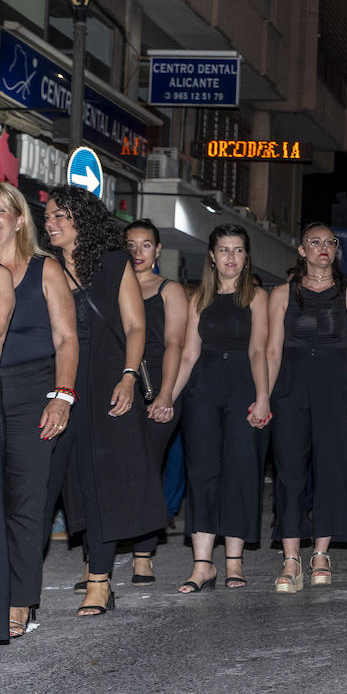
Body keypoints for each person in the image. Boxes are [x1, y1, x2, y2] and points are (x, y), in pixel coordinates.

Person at [42, 186, 158, 617]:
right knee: (60, 480)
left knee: (101, 481)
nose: (49, 223)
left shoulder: (114, 264)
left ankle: (100, 581)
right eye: (48, 217)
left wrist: (129, 376)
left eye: (58, 216)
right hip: (58, 382)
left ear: (81, 220)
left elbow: (135, 327)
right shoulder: (44, 265)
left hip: (108, 379)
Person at [169, 223, 272, 593]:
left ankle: (234, 562)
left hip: (243, 383)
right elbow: (187, 355)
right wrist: (168, 396)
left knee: (242, 471)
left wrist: (263, 397)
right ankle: (201, 565)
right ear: (211, 257)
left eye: (238, 250)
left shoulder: (258, 297)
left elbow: (260, 350)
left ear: (246, 258)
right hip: (204, 387)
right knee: (202, 472)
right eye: (224, 250)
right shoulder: (199, 298)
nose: (231, 257)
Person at [266, 224, 347, 592]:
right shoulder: (281, 294)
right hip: (290, 386)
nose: (323, 248)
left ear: (336, 249)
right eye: (315, 242)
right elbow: (272, 351)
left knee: (334, 468)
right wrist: (265, 396)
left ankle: (321, 553)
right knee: (289, 471)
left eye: (329, 242)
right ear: (301, 249)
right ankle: (291, 558)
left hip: (336, 386)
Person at [1, 183, 62, 638]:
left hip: (32, 392)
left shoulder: (45, 269)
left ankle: (21, 600)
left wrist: (63, 395)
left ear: (19, 219)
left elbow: (67, 339)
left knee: (25, 501)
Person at [125, 220, 189, 587]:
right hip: (118, 385)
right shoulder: (113, 288)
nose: (138, 252)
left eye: (146, 245)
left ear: (158, 250)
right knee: (112, 471)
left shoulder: (170, 290)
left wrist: (166, 394)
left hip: (156, 390)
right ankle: (96, 557)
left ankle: (143, 554)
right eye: (131, 245)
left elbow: (176, 344)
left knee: (147, 470)